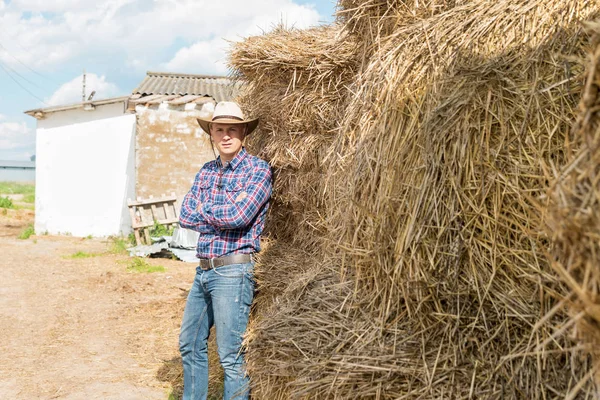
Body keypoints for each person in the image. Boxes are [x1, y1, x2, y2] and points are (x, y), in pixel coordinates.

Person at [178, 101, 272, 400]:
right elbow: (185, 215)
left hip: (233, 270)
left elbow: (240, 217)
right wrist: (220, 212)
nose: (226, 135)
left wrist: (206, 211)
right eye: (220, 129)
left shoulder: (257, 170)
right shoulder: (206, 171)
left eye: (232, 129)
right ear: (212, 134)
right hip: (203, 269)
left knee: (231, 355)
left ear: (243, 132)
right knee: (189, 344)